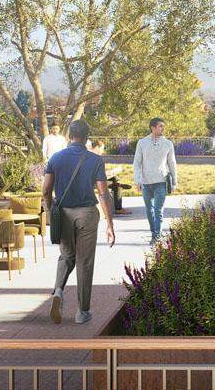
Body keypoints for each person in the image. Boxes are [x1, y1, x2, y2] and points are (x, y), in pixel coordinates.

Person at [44, 119, 115, 325]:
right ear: (86, 137)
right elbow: (103, 192)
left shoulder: (56, 158)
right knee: (84, 262)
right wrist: (110, 224)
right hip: (86, 214)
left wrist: (51, 212)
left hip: (63, 213)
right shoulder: (95, 160)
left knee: (66, 255)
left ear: (69, 136)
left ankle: (58, 291)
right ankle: (82, 312)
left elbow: (46, 190)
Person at [132, 117, 178, 243]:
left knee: (158, 211)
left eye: (163, 126)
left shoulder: (168, 144)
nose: (163, 128)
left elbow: (172, 163)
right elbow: (137, 163)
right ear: (153, 127)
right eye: (160, 126)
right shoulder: (142, 143)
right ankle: (154, 232)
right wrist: (138, 180)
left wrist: (174, 181)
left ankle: (156, 237)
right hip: (146, 184)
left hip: (161, 182)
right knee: (149, 210)